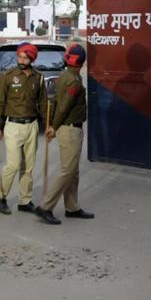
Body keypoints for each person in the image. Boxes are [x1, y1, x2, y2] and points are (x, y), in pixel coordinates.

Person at [35, 43, 94, 225]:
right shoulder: (73, 81)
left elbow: (56, 103)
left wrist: (52, 124)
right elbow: (63, 107)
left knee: (73, 171)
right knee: (67, 170)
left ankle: (72, 207)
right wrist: (53, 126)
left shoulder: (65, 75)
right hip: (70, 129)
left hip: (68, 127)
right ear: (81, 62)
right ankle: (45, 206)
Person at [0, 42, 47, 215]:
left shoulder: (38, 77)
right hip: (13, 127)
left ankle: (25, 201)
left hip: (32, 126)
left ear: (32, 59)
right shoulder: (8, 76)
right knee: (13, 165)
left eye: (25, 57)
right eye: (19, 56)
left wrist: (48, 125)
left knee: (28, 167)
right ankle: (0, 197)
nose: (21, 60)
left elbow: (44, 103)